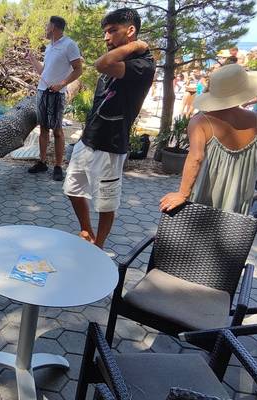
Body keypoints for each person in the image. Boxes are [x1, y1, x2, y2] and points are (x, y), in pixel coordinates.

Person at [64, 8, 154, 248]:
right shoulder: (117, 58)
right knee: (72, 189)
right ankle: (86, 231)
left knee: (106, 203)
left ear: (131, 31)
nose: (106, 37)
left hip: (111, 145)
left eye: (112, 31)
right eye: (105, 32)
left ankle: (99, 245)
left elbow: (101, 64)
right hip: (88, 139)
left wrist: (137, 46)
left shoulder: (142, 64)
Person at [160, 64, 257, 215]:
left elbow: (196, 158)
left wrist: (182, 194)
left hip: (202, 200)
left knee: (192, 238)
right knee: (230, 238)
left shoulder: (201, 122)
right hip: (238, 203)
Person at [26, 16, 84, 181]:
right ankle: (42, 162)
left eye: (47, 25)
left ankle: (58, 166)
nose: (45, 28)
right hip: (42, 91)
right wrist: (32, 58)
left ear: (54, 27)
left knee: (57, 131)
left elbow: (78, 70)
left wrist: (61, 84)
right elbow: (43, 71)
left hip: (56, 94)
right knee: (43, 128)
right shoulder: (49, 47)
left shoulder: (69, 45)